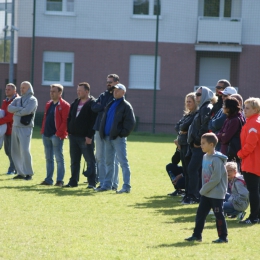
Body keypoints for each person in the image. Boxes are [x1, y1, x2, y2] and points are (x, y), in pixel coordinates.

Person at [185, 133, 228, 243]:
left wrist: (203, 189)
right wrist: (204, 190)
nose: (201, 145)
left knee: (219, 215)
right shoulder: (205, 157)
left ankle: (223, 237)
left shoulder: (217, 160)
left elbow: (216, 179)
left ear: (211, 144)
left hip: (216, 194)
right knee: (200, 214)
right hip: (206, 193)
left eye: (203, 143)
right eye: (201, 143)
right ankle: (197, 235)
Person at [98, 83, 135, 193]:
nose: (115, 92)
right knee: (109, 162)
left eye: (118, 90)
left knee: (123, 162)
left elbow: (130, 123)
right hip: (107, 137)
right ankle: (107, 184)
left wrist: (121, 134)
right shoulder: (111, 103)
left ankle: (126, 186)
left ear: (123, 92)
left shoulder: (126, 105)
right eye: (114, 90)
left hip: (118, 138)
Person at [184, 86, 214, 204]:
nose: (196, 96)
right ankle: (195, 195)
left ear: (205, 95)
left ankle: (194, 196)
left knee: (193, 169)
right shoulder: (202, 107)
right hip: (195, 145)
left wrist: (198, 142)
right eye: (196, 94)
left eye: (199, 94)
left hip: (199, 146)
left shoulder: (206, 107)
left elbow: (204, 127)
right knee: (196, 170)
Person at [64, 82, 97, 188]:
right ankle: (73, 181)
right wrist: (69, 130)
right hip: (73, 136)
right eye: (77, 90)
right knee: (74, 161)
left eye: (80, 90)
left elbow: (93, 122)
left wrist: (89, 136)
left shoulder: (92, 104)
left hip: (85, 137)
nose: (78, 92)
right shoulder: (75, 103)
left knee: (90, 161)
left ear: (87, 91)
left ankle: (92, 182)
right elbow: (69, 118)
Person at [91, 74, 119, 190]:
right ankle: (102, 182)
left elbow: (107, 108)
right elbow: (94, 107)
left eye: (110, 82)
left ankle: (113, 183)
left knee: (113, 159)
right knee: (99, 157)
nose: (108, 84)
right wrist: (103, 106)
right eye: (107, 81)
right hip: (99, 129)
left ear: (116, 83)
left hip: (110, 131)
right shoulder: (103, 95)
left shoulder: (118, 96)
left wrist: (102, 106)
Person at [40, 84, 70, 187]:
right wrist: (43, 131)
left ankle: (60, 180)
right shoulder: (49, 104)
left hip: (56, 136)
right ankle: (48, 180)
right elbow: (45, 118)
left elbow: (65, 122)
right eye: (51, 91)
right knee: (48, 158)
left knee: (59, 158)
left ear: (59, 93)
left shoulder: (65, 105)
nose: (51, 93)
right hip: (46, 135)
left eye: (54, 91)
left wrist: (58, 134)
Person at [7, 81, 38, 180]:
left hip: (25, 128)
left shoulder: (33, 100)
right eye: (21, 87)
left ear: (29, 89)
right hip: (15, 127)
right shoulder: (17, 99)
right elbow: (9, 108)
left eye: (24, 87)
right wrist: (20, 109)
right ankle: (20, 173)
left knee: (25, 150)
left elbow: (27, 111)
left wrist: (16, 112)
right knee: (15, 151)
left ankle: (29, 173)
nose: (22, 89)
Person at [237, 97, 260, 224]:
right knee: (257, 190)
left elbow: (250, 145)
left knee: (253, 190)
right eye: (244, 108)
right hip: (255, 161)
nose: (244, 110)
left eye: (247, 108)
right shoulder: (254, 121)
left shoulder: (253, 123)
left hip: (252, 162)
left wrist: (240, 154)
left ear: (255, 109)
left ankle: (253, 217)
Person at [174, 92, 197, 197]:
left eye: (190, 102)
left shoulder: (195, 115)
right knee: (185, 169)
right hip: (182, 144)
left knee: (189, 170)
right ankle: (187, 192)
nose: (188, 104)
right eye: (186, 102)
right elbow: (177, 127)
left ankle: (190, 193)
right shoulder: (187, 115)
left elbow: (183, 127)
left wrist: (183, 129)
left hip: (188, 145)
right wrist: (182, 130)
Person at [208, 86, 237, 151]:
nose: (222, 97)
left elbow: (217, 123)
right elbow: (210, 123)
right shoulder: (222, 108)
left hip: (224, 144)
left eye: (225, 95)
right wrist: (213, 123)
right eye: (223, 95)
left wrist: (213, 123)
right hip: (218, 142)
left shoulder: (230, 110)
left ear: (232, 96)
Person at [217, 97, 245, 162]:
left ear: (229, 108)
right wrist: (222, 134)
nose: (223, 107)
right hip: (226, 152)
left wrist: (221, 135)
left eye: (224, 105)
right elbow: (219, 134)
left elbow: (225, 139)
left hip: (230, 153)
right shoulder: (229, 118)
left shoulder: (235, 120)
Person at [0, 83, 19, 174]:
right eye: (6, 89)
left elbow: (10, 116)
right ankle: (15, 168)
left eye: (9, 90)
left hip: (13, 129)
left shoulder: (17, 101)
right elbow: (3, 113)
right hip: (6, 130)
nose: (6, 91)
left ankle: (12, 169)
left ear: (14, 91)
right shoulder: (5, 101)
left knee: (13, 151)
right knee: (7, 151)